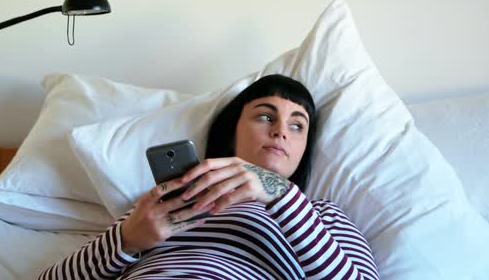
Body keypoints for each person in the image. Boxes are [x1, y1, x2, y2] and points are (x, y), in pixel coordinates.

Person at [38, 74, 379, 280]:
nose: (280, 132)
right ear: (232, 132)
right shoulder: (161, 204)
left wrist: (279, 193)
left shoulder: (322, 216)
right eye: (265, 116)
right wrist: (126, 239)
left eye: (297, 125)